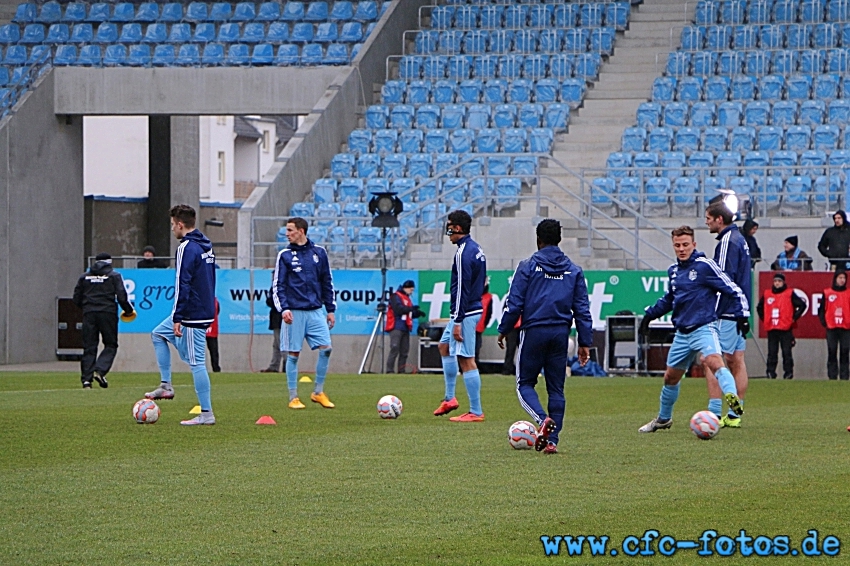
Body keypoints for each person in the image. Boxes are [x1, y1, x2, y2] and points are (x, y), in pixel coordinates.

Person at [638, 226, 749, 433]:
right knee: (670, 377)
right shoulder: (674, 271)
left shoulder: (705, 266)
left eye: (685, 245)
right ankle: (663, 419)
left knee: (714, 361)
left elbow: (733, 289)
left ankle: (732, 398)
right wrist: (649, 316)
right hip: (682, 333)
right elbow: (669, 300)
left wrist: (742, 315)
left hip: (704, 328)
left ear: (694, 245)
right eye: (677, 245)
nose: (681, 249)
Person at [497, 219, 593, 454]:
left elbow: (514, 303)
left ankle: (542, 421)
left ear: (538, 239)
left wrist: (503, 329)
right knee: (556, 390)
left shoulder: (528, 266)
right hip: (561, 333)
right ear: (559, 239)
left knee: (524, 384)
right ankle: (552, 441)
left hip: (534, 331)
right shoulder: (574, 270)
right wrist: (585, 343)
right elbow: (582, 309)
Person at [144, 205, 218, 426]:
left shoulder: (187, 247)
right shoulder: (205, 243)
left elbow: (182, 284)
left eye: (172, 225)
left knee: (197, 363)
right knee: (158, 334)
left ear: (179, 224)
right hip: (201, 308)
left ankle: (206, 414)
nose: (172, 229)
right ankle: (166, 386)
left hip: (192, 314)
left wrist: (178, 317)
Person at [272, 217, 336, 409]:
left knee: (326, 348)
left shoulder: (319, 253)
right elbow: (278, 285)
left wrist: (330, 309)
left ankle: (318, 392)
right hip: (295, 312)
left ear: (301, 231)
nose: (287, 234)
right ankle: (293, 397)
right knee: (293, 354)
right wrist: (284, 309)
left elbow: (327, 282)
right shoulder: (284, 255)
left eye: (290, 230)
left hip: (316, 311)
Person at [432, 210, 487, 422]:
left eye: (449, 228)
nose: (447, 233)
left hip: (465, 313)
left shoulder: (464, 253)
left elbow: (462, 288)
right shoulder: (476, 249)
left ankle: (476, 411)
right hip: (468, 309)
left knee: (466, 359)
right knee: (444, 346)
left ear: (456, 228)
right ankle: (449, 398)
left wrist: (457, 319)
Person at [702, 202, 751, 428]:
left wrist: (713, 310)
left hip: (726, 311)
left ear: (719, 219)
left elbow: (723, 281)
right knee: (737, 361)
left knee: (711, 360)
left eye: (709, 218)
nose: (707, 222)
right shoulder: (741, 240)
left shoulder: (727, 242)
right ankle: (734, 414)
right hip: (741, 309)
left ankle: (712, 414)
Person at [72, 252, 135, 389]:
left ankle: (86, 381)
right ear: (109, 262)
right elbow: (122, 296)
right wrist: (129, 310)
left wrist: (87, 307)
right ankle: (100, 370)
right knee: (111, 344)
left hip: (89, 314)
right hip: (107, 313)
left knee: (89, 347)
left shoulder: (85, 277)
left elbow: (76, 298)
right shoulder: (114, 276)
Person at [758, 273, 805, 380]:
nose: (777, 283)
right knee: (772, 352)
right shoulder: (767, 294)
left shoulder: (789, 293)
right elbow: (759, 308)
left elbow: (802, 305)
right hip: (772, 328)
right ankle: (771, 373)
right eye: (775, 281)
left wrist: (793, 318)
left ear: (783, 282)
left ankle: (788, 373)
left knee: (786, 352)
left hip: (785, 328)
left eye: (779, 281)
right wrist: (766, 319)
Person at [385, 280, 423, 374]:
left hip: (405, 327)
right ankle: (390, 370)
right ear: (406, 288)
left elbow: (408, 313)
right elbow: (399, 309)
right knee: (395, 347)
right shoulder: (395, 296)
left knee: (404, 350)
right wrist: (411, 309)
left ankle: (401, 370)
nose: (411, 291)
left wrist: (416, 314)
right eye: (411, 289)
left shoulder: (407, 299)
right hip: (396, 326)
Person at [819, 270, 850, 380]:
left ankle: (844, 376)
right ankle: (832, 376)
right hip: (832, 327)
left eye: (844, 278)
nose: (842, 280)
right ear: (835, 279)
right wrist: (825, 322)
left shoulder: (848, 293)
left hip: (846, 327)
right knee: (832, 351)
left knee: (845, 351)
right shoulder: (827, 292)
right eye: (840, 278)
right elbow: (821, 309)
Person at [260, 288, 283, 373]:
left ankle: (287, 365)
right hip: (277, 318)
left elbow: (273, 301)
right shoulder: (275, 287)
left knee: (281, 343)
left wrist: (270, 301)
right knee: (276, 344)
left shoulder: (280, 286)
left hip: (280, 319)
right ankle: (274, 366)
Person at [475, 279, 493, 365]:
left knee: (477, 346)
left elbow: (489, 313)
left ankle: (475, 364)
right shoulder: (472, 295)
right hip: (469, 325)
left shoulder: (488, 297)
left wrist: (485, 324)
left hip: (479, 326)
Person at [205, 298, 221, 373]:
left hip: (208, 328)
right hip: (210, 329)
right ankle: (216, 369)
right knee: (214, 351)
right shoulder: (215, 301)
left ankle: (216, 369)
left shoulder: (214, 301)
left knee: (213, 351)